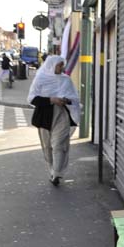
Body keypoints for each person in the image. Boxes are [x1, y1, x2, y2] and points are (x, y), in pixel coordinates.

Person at [28, 55, 80, 186]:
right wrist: (51, 99)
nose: (62, 67)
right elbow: (32, 99)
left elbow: (74, 98)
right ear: (51, 65)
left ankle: (57, 173)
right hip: (44, 116)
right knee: (47, 146)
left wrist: (65, 100)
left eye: (62, 65)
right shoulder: (40, 79)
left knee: (58, 145)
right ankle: (52, 169)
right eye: (59, 65)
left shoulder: (66, 80)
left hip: (61, 114)